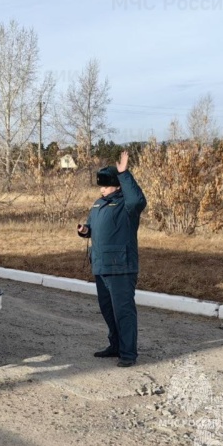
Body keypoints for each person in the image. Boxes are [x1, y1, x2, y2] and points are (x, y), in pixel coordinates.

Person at [77, 151, 147, 368]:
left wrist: (125, 173)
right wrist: (84, 230)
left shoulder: (128, 205)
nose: (101, 189)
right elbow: (92, 227)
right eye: (101, 186)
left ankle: (128, 354)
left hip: (121, 266)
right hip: (100, 265)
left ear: (116, 185)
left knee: (123, 311)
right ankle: (115, 346)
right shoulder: (98, 204)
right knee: (108, 310)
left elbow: (138, 200)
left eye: (105, 185)